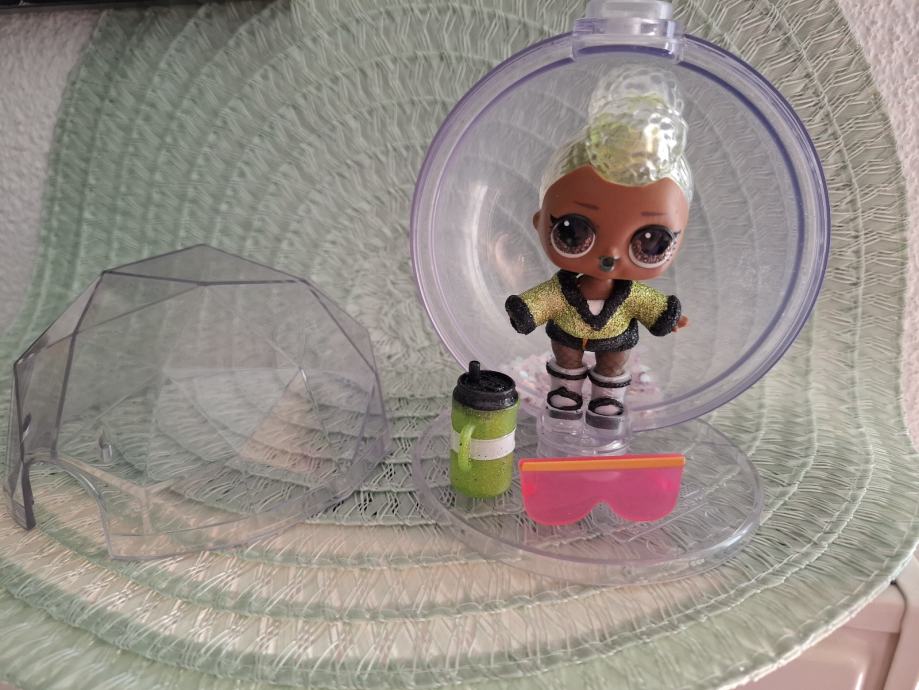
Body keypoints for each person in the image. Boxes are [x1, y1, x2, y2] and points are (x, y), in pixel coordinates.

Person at [505, 66, 691, 431]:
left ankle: (607, 398)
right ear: (540, 222)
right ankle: (566, 392)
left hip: (615, 338)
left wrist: (667, 317)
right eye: (573, 232)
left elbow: (648, 304)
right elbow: (544, 300)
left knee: (613, 365)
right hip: (568, 335)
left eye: (651, 241)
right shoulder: (562, 290)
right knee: (567, 361)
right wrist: (525, 312)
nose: (611, 255)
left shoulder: (631, 294)